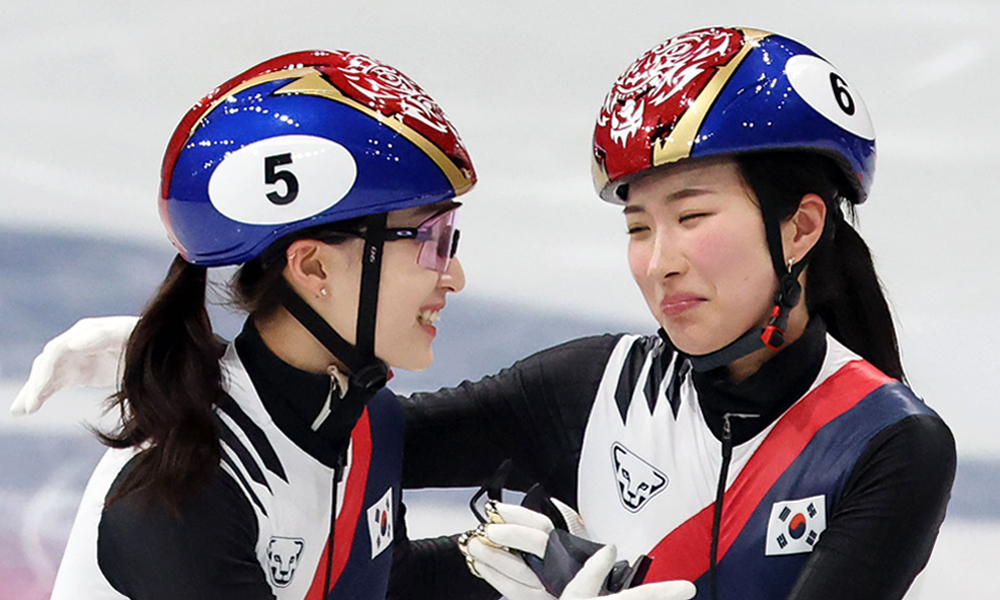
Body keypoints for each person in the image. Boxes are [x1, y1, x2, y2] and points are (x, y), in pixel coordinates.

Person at [14, 26, 955, 600]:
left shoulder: (887, 447)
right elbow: (319, 451)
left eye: (693, 216)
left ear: (799, 227)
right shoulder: (592, 390)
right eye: (637, 224)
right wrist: (194, 363)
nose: (658, 262)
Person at [34, 48, 480, 600]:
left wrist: (502, 569)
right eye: (430, 241)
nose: (454, 276)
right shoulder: (184, 493)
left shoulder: (364, 423)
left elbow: (381, 581)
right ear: (313, 266)